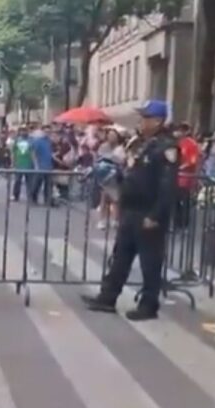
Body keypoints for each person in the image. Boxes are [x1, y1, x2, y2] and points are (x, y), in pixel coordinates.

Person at [81, 100, 178, 321]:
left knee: (150, 263)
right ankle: (107, 298)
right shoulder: (142, 143)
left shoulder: (166, 147)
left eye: (146, 117)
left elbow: (167, 186)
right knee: (120, 258)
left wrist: (155, 215)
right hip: (131, 210)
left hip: (148, 212)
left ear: (158, 121)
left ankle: (149, 305)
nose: (141, 121)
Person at [96, 128, 126, 228]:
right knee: (104, 198)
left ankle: (115, 220)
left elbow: (122, 160)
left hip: (116, 176)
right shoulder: (103, 146)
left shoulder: (120, 148)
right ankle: (102, 220)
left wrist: (115, 159)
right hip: (105, 176)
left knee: (116, 199)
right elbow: (99, 158)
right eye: (109, 135)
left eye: (113, 135)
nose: (111, 137)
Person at [174, 123, 201, 229]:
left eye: (181, 130)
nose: (179, 132)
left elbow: (192, 161)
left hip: (186, 176)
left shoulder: (191, 144)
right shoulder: (178, 142)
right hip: (177, 176)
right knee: (176, 200)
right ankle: (177, 222)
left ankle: (184, 222)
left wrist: (180, 167)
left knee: (185, 200)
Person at [30, 124, 54, 205]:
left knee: (48, 185)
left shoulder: (49, 141)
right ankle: (33, 198)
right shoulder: (38, 141)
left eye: (49, 132)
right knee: (37, 184)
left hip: (48, 166)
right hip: (40, 166)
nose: (48, 133)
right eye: (46, 131)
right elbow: (33, 153)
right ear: (43, 132)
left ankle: (47, 200)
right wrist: (36, 165)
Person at [11, 126, 35, 201]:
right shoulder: (17, 140)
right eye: (21, 131)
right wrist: (13, 163)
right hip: (19, 164)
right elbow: (13, 152)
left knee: (29, 181)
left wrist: (34, 163)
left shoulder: (31, 140)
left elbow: (33, 152)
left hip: (28, 164)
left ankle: (30, 196)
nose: (23, 132)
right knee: (17, 181)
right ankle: (16, 195)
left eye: (24, 130)